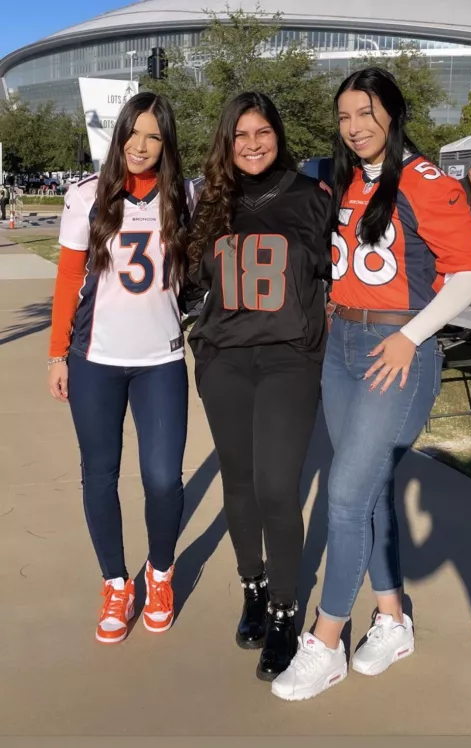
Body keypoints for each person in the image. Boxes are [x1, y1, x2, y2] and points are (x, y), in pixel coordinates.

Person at [272, 67, 471, 701]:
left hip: (395, 350)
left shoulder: (427, 182)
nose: (354, 126)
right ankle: (392, 618)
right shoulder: (345, 179)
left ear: (393, 113)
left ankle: (325, 642)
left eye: (366, 113)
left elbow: (470, 274)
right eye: (344, 116)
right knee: (367, 493)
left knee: (344, 496)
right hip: (342, 345)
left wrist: (411, 336)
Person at [187, 91, 331, 681]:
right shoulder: (211, 202)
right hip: (225, 360)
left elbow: (338, 276)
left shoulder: (312, 196)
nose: (252, 144)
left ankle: (285, 609)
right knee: (240, 482)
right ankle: (254, 586)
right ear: (227, 141)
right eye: (240, 134)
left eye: (262, 132)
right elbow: (190, 281)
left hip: (287, 359)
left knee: (276, 485)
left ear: (278, 134)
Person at [47, 92, 192, 644]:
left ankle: (160, 574)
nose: (141, 145)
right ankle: (115, 583)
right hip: (95, 359)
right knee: (99, 475)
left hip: (160, 360)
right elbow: (68, 278)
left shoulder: (184, 195)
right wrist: (56, 354)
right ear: (120, 133)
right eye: (134, 132)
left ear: (166, 142)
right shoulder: (86, 194)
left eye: (154, 135)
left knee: (163, 478)